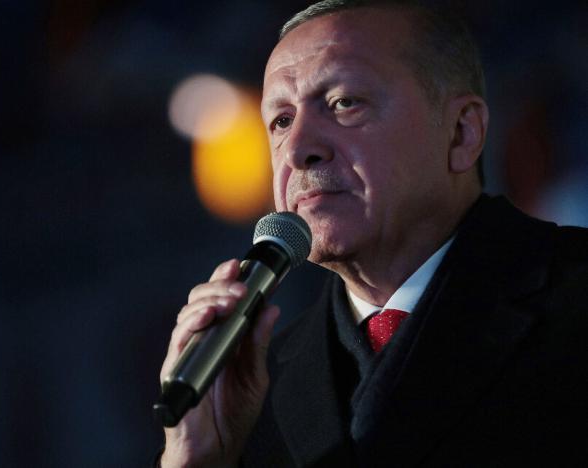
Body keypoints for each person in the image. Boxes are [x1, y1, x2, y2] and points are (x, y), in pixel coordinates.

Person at [158, 1, 588, 466]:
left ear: (462, 133)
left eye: (344, 102)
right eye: (281, 121)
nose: (299, 149)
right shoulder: (245, 389)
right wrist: (196, 460)